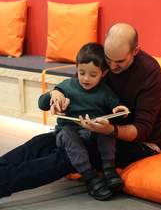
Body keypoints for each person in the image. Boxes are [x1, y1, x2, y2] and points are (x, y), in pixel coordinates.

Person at [0, 23, 161, 210]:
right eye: (109, 61)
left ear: (136, 50)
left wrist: (110, 130)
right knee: (41, 142)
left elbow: (142, 130)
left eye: (119, 62)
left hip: (138, 144)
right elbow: (77, 85)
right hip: (92, 130)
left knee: (68, 154)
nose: (112, 67)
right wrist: (57, 97)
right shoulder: (105, 60)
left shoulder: (150, 74)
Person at [38, 42, 129, 201]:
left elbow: (117, 110)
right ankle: (89, 177)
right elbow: (42, 103)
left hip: (92, 133)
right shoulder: (67, 86)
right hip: (68, 134)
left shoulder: (104, 91)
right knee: (67, 133)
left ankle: (109, 170)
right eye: (81, 72)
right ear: (76, 69)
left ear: (103, 73)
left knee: (105, 130)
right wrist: (54, 95)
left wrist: (118, 111)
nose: (86, 78)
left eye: (93, 75)